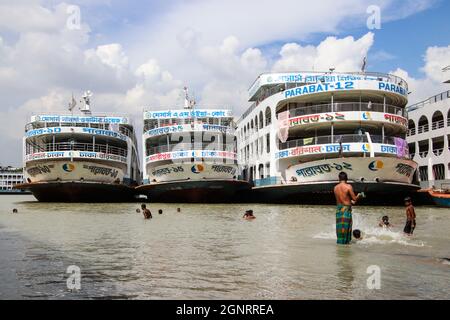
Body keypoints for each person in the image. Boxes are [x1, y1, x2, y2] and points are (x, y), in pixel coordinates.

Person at [333, 172, 364, 245]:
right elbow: (354, 199)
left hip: (339, 210)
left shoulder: (335, 188)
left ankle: (340, 244)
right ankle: (346, 244)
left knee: (340, 229)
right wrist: (359, 195)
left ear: (339, 178)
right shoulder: (348, 186)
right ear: (346, 178)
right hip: (346, 210)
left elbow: (342, 199)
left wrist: (351, 202)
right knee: (347, 228)